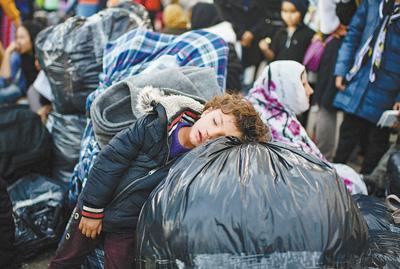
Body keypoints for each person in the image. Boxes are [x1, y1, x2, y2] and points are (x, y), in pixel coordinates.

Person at [48, 89, 270, 269]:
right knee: (65, 260)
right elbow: (110, 160)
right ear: (208, 110)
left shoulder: (199, 169)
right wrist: (92, 209)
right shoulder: (155, 124)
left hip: (127, 228)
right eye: (215, 122)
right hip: (96, 205)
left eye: (222, 139)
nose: (211, 134)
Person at [247, 60, 368, 195]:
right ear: (284, 87)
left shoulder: (277, 113)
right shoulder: (269, 125)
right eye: (303, 85)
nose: (310, 91)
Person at [332, 0, 400, 174]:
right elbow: (353, 36)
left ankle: (365, 191)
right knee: (347, 136)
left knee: (376, 143)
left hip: (388, 92)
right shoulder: (372, 4)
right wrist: (341, 70)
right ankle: (332, 180)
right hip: (359, 81)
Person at [313, 0, 358, 161]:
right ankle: (325, 157)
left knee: (330, 106)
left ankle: (331, 158)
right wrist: (333, 26)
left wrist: (331, 26)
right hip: (341, 46)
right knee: (328, 104)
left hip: (347, 46)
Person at [0, 21, 43, 104]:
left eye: (21, 37)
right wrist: (7, 53)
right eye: (16, 38)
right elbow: (4, 80)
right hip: (23, 91)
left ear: (32, 37)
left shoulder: (43, 53)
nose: (18, 42)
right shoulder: (18, 55)